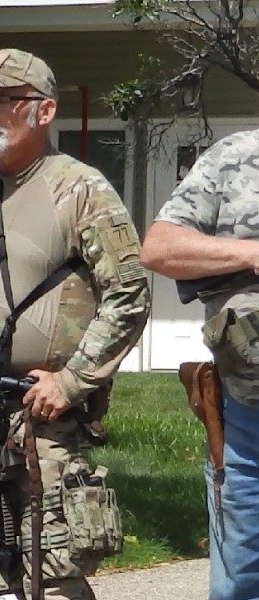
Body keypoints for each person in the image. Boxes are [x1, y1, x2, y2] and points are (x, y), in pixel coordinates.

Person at [0, 48, 150, 600]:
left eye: (3, 100)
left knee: (49, 574)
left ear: (44, 110)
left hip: (43, 422)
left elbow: (129, 292)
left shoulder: (80, 189)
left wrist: (74, 379)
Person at [140, 131, 259, 600]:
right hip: (247, 417)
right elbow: (159, 248)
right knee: (241, 578)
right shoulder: (235, 156)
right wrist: (249, 253)